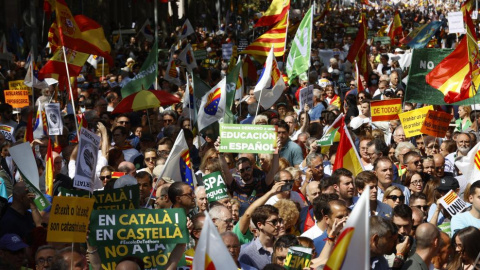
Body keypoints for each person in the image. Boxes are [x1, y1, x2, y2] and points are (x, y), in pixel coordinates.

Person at [239, 205, 282, 270]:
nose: (278, 224)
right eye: (274, 222)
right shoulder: (246, 252)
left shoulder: (283, 247)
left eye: (279, 221)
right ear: (260, 225)